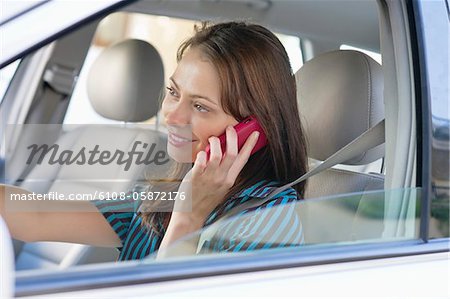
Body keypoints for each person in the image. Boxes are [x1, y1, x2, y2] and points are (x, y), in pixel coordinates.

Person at [0, 21, 308, 261]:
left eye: (200, 106)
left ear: (254, 130)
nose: (173, 116)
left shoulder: (271, 215)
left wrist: (189, 219)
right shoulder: (166, 196)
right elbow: (35, 216)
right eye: (174, 92)